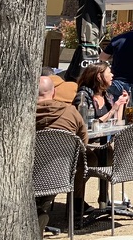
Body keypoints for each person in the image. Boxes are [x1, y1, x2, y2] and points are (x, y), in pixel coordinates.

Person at [35, 75, 88, 234]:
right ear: (54, 92)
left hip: (27, 175)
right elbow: (83, 144)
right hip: (60, 174)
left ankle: (38, 211)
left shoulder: (21, 114)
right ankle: (40, 210)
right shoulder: (71, 112)